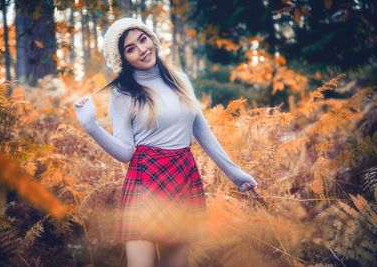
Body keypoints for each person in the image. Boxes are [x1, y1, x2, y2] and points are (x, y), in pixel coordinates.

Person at [73, 17, 259, 267]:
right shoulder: (123, 93)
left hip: (182, 174)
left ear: (151, 38)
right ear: (124, 58)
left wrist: (235, 174)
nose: (142, 50)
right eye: (130, 48)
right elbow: (126, 152)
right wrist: (91, 127)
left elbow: (202, 131)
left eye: (143, 39)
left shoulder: (180, 79)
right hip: (145, 178)